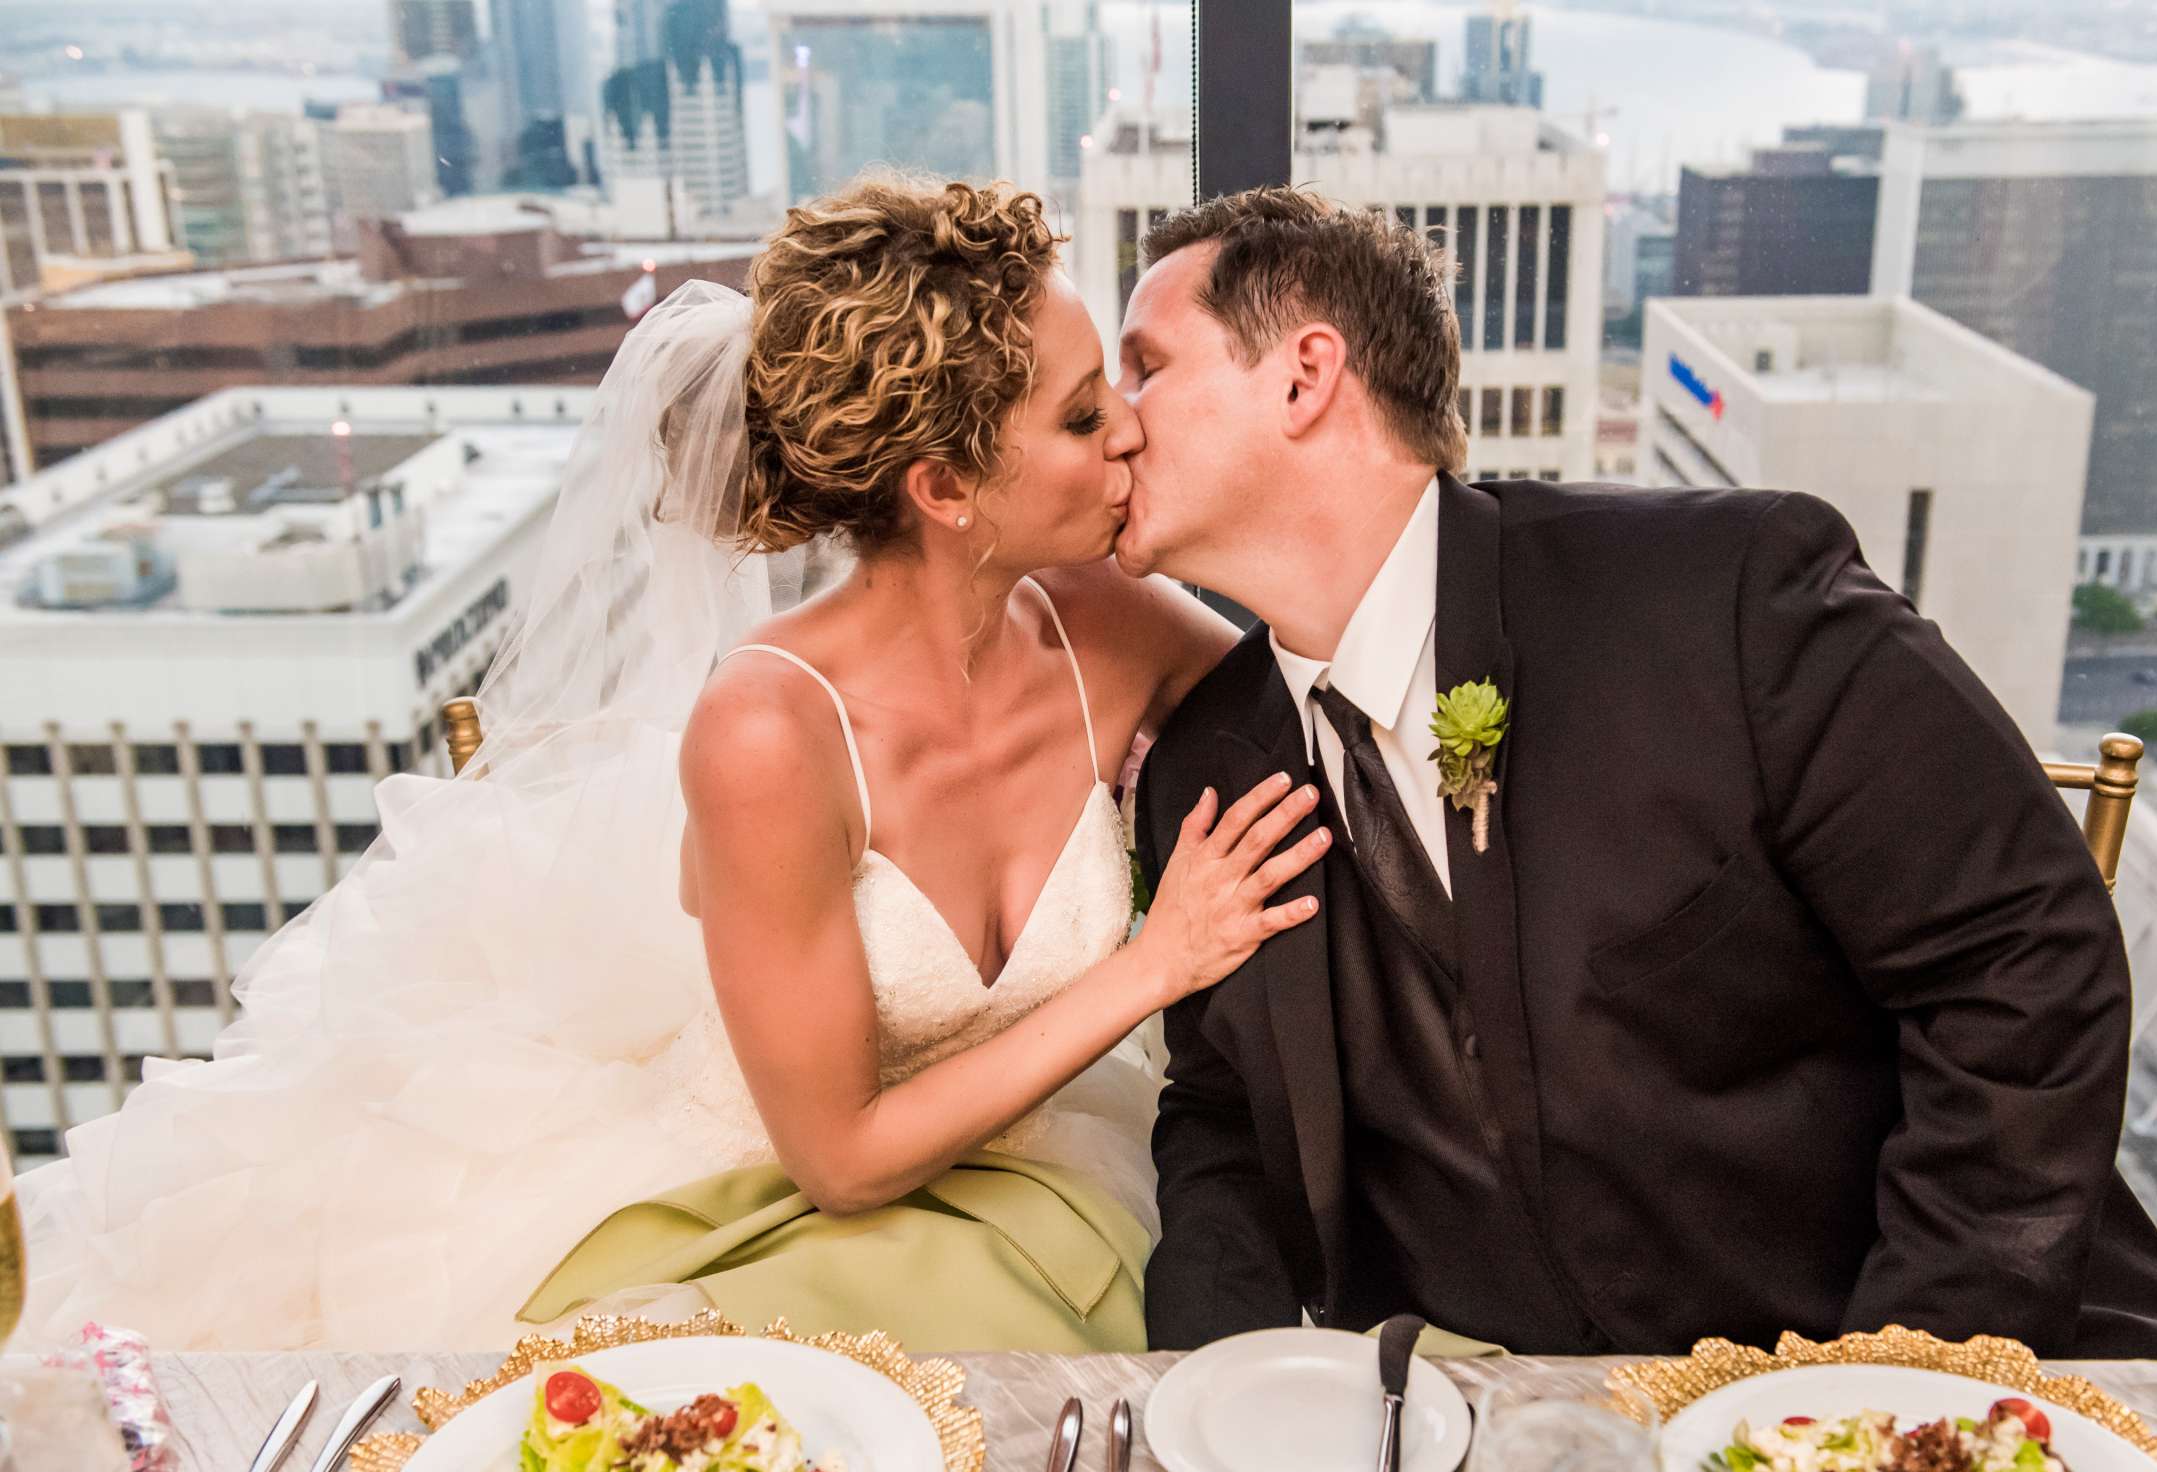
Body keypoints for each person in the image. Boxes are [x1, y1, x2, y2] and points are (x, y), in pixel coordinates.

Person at [18, 178, 1320, 1353]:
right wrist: (1154, 964)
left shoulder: (1109, 618)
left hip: (1057, 1160)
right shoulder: (769, 732)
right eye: (1088, 413)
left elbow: (1311, 712)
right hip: (786, 1203)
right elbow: (844, 1162)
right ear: (944, 486)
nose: (1133, 436)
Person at [1116, 187, 2157, 1359]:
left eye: (1145, 367)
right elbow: (1224, 1121)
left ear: (1305, 377)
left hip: (1917, 1372)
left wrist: (1903, 1383)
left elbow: (2024, 964)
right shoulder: (1202, 769)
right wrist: (1208, 1382)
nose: (1119, 422)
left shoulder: (1728, 599)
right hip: (1501, 1436)